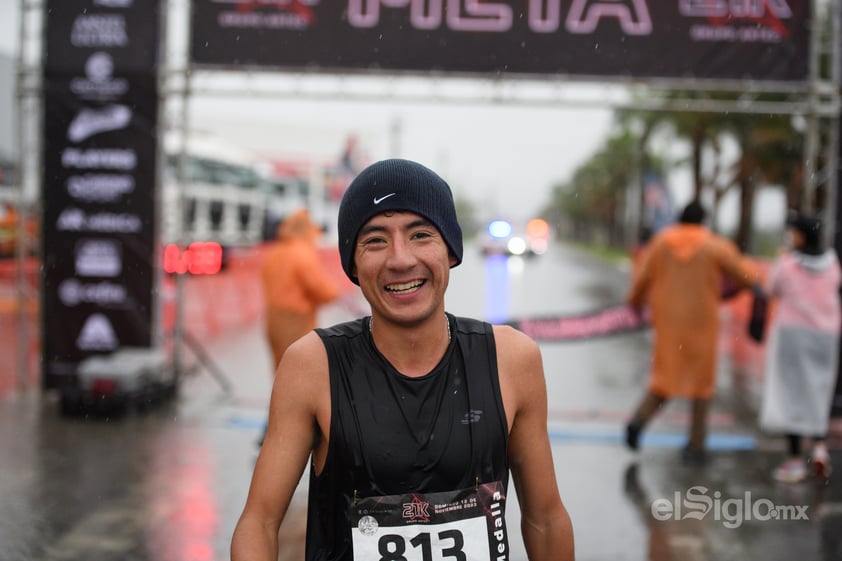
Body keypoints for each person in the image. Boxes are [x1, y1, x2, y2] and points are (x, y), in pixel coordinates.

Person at [232, 159, 574, 560]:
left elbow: (546, 519)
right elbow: (259, 522)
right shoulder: (312, 366)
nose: (400, 259)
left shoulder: (511, 359)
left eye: (421, 234)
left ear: (450, 250)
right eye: (375, 240)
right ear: (353, 264)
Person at [624, 200, 759, 465]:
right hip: (702, 324)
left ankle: (638, 421)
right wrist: (754, 286)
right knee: (701, 386)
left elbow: (643, 277)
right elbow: (746, 275)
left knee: (665, 378)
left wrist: (635, 303)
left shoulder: (661, 244)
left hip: (668, 322)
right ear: (702, 220)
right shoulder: (714, 246)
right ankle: (695, 447)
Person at [757, 213, 841, 483]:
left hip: (793, 334)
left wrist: (784, 258)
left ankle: (794, 461)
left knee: (791, 393)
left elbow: (771, 289)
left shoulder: (788, 263)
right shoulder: (833, 263)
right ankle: (819, 448)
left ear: (801, 236)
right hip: (826, 335)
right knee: (818, 390)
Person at [261, 208, 340, 374]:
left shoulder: (276, 252)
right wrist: (333, 293)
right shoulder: (302, 252)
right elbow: (317, 286)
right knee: (300, 368)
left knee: (281, 367)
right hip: (296, 320)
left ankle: (281, 399)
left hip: (273, 318)